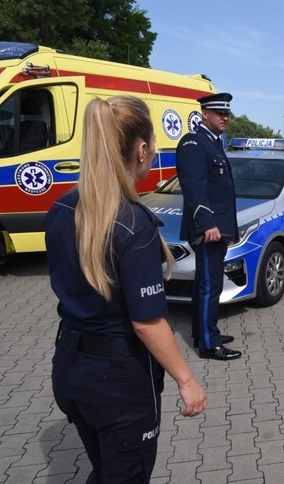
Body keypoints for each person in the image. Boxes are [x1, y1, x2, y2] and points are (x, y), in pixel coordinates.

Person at [44, 96, 207, 482]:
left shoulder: (62, 208)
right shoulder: (133, 224)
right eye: (153, 143)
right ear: (140, 149)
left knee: (105, 471)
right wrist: (187, 381)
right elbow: (147, 324)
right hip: (118, 383)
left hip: (69, 366)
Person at [176, 92, 241, 360]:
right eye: (219, 113)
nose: (225, 117)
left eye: (227, 113)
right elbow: (194, 188)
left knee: (206, 282)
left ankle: (203, 331)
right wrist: (206, 225)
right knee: (209, 285)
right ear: (205, 114)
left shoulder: (212, 142)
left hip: (218, 227)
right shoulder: (194, 142)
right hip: (209, 229)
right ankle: (208, 344)